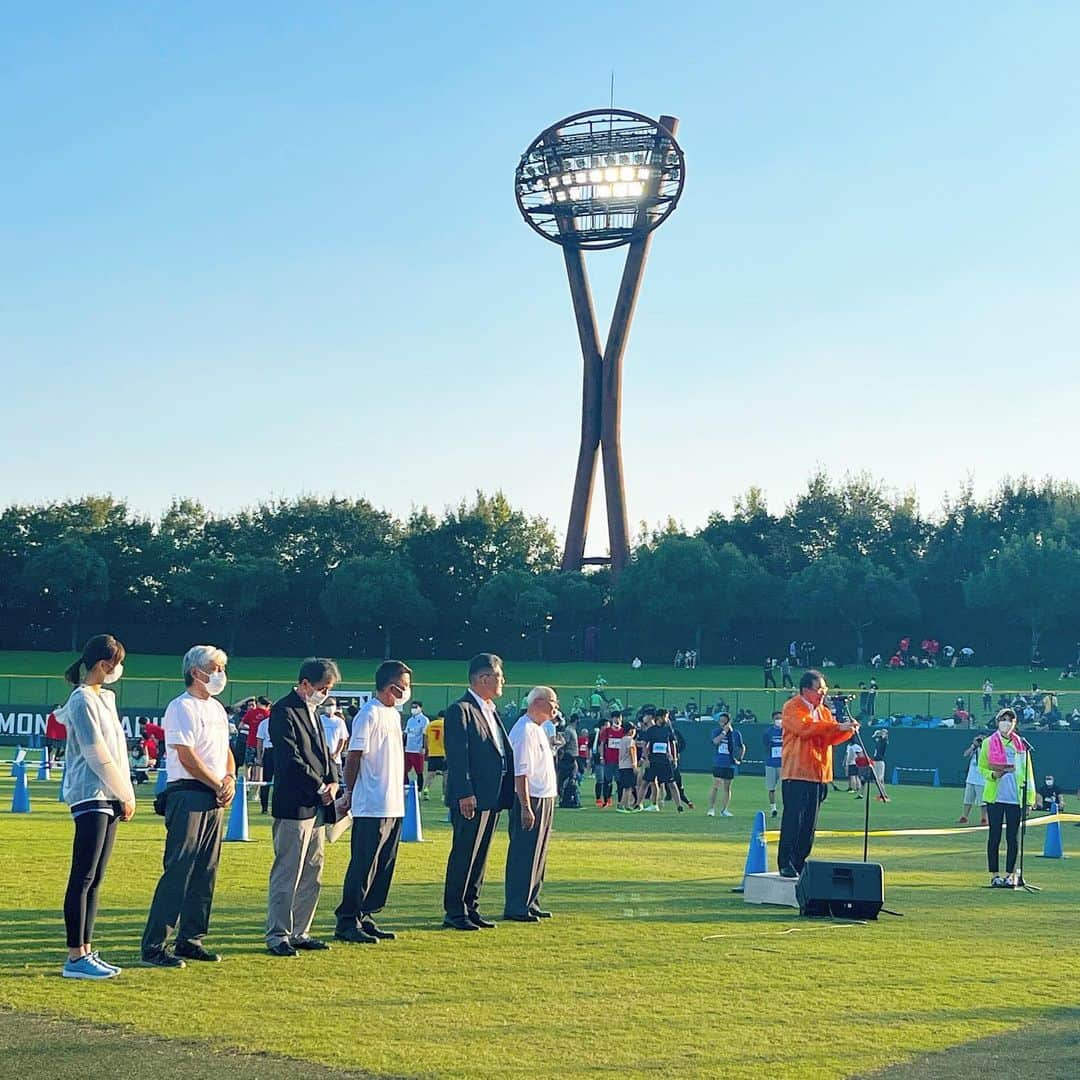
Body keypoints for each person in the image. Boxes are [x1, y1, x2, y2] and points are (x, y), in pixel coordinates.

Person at [141, 645, 235, 968]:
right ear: (197, 672)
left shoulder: (218, 710)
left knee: (206, 871)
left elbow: (225, 752)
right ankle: (155, 944)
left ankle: (191, 938)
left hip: (214, 795)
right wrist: (216, 783)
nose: (221, 674)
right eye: (216, 668)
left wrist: (231, 779)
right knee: (179, 868)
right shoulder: (181, 707)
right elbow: (186, 755)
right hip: (188, 793)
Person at [59, 634, 135, 980]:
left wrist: (123, 791)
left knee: (97, 878)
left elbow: (117, 751)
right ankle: (75, 955)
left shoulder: (105, 699)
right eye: (116, 664)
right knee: (83, 874)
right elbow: (96, 753)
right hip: (91, 794)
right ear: (104, 665)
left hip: (110, 796)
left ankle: (87, 949)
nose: (117, 671)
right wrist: (125, 793)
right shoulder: (82, 700)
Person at [265, 657, 340, 957]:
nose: (326, 694)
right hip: (294, 804)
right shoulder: (283, 710)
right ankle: (278, 934)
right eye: (322, 687)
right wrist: (319, 786)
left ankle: (300, 931)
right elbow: (290, 758)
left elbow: (326, 754)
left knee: (313, 871)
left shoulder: (314, 712)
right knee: (288, 872)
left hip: (318, 806)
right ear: (305, 683)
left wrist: (333, 782)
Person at [334, 661, 411, 944]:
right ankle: (347, 919)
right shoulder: (368, 714)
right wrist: (350, 793)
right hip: (371, 802)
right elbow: (354, 757)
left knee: (384, 864)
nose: (407, 691)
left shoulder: (392, 715)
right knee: (364, 863)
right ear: (392, 686)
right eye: (404, 684)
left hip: (393, 801)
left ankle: (367, 914)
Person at [442, 653, 515, 931]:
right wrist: (464, 792)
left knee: (480, 854)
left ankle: (471, 906)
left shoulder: (489, 709)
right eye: (499, 676)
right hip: (471, 796)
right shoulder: (461, 710)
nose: (503, 681)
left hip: (491, 796)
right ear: (484, 678)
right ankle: (455, 911)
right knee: (464, 853)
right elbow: (458, 756)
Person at [777, 670, 856, 878]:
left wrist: (847, 730)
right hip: (797, 773)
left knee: (810, 824)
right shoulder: (792, 707)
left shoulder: (824, 712)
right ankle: (785, 862)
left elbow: (829, 737)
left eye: (824, 690)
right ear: (805, 690)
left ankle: (800, 861)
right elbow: (805, 729)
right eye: (819, 689)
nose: (822, 694)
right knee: (794, 819)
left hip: (819, 774)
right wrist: (836, 726)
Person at [503, 686, 560, 921]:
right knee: (524, 852)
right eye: (552, 703)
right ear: (537, 703)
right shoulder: (524, 730)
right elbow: (521, 772)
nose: (556, 708)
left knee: (539, 852)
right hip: (531, 799)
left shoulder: (537, 729)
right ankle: (517, 904)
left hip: (544, 797)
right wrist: (525, 806)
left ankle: (531, 899)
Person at [978, 708, 1036, 888]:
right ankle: (994, 874)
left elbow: (1028, 774)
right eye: (1003, 719)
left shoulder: (1021, 745)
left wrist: (1029, 800)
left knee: (1013, 838)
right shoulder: (989, 742)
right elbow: (982, 767)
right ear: (998, 722)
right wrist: (993, 775)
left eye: (1010, 720)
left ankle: (1010, 875)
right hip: (996, 797)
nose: (1006, 722)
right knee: (994, 836)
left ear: (1014, 723)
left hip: (1014, 797)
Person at [641, 708, 685, 813]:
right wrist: (646, 759)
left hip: (665, 761)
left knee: (672, 784)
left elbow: (672, 744)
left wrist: (674, 758)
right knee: (646, 783)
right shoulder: (651, 730)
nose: (667, 719)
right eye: (665, 716)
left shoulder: (668, 729)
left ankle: (679, 806)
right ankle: (639, 804)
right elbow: (645, 745)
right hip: (653, 761)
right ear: (659, 717)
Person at [707, 712, 743, 817]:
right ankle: (711, 809)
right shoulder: (716, 731)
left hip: (730, 763)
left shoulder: (736, 733)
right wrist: (724, 732)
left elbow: (742, 747)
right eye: (720, 720)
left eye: (724, 720)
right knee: (716, 784)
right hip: (719, 762)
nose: (721, 722)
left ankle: (724, 810)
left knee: (727, 787)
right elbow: (715, 741)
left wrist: (739, 759)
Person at [596, 710, 625, 808]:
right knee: (607, 781)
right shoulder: (607, 731)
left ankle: (620, 802)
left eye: (619, 718)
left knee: (619, 782)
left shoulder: (623, 731)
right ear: (612, 719)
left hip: (620, 761)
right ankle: (606, 800)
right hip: (609, 760)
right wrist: (601, 756)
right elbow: (602, 744)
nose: (617, 720)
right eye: (615, 718)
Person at [958, 735, 988, 825]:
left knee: (982, 801)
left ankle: (984, 818)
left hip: (981, 779)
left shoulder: (987, 749)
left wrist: (983, 745)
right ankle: (964, 816)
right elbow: (965, 754)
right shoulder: (974, 749)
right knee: (968, 799)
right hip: (971, 778)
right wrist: (973, 746)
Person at [404, 700, 429, 799]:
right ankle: (405, 789)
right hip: (408, 749)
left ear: (420, 708)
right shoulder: (410, 720)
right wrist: (404, 745)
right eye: (412, 707)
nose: (413, 709)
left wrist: (423, 747)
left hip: (417, 750)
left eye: (416, 707)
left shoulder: (424, 720)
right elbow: (406, 733)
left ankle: (418, 791)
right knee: (404, 770)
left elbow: (424, 734)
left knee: (419, 771)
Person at [240, 697, 270, 778]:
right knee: (259, 766)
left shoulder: (251, 713)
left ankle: (247, 785)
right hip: (263, 743)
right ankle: (257, 787)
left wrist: (251, 727)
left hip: (251, 741)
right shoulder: (268, 714)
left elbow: (241, 725)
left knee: (248, 766)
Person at [615, 720, 641, 813]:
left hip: (622, 766)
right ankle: (624, 805)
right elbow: (632, 751)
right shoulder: (630, 740)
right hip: (628, 766)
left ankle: (624, 805)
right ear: (630, 731)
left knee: (626, 787)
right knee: (628, 787)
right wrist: (634, 764)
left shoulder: (622, 739)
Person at [762, 711, 783, 817]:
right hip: (771, 763)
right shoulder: (768, 732)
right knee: (771, 787)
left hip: (784, 764)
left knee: (785, 787)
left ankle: (787, 808)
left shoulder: (787, 731)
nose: (779, 720)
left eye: (780, 718)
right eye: (777, 718)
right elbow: (766, 746)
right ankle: (773, 808)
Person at [425, 709, 447, 801]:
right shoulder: (446, 725)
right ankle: (444, 795)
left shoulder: (430, 725)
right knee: (446, 775)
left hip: (432, 753)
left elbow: (426, 738)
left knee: (430, 774)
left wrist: (428, 748)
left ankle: (426, 790)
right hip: (443, 753)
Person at [255, 709, 274, 815]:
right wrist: (259, 756)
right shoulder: (264, 723)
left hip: (280, 752)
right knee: (266, 781)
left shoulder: (283, 721)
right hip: (269, 751)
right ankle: (264, 807)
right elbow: (260, 740)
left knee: (282, 781)